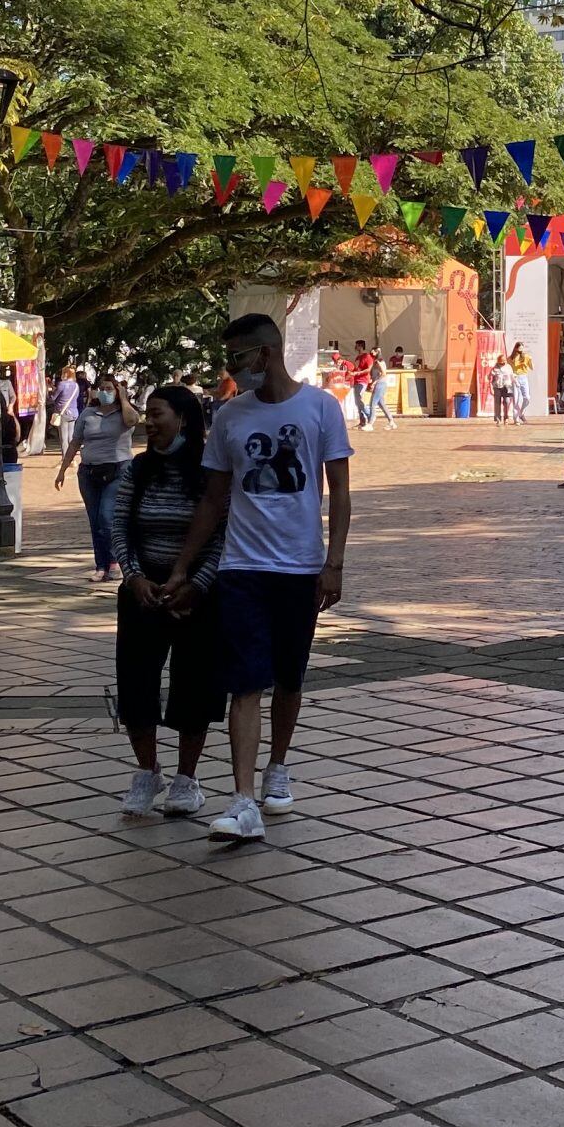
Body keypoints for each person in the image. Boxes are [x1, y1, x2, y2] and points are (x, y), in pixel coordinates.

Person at [164, 313, 351, 844]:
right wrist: (184, 565)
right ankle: (244, 801)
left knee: (289, 677)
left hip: (299, 565)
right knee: (244, 681)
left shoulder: (321, 408)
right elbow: (212, 497)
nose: (231, 370)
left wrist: (332, 562)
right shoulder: (229, 417)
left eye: (237, 359)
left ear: (264, 355)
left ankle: (277, 767)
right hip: (241, 567)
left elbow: (339, 490)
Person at [110, 385, 227, 819]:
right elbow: (119, 528)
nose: (150, 423)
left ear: (183, 418)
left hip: (197, 595)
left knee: (194, 684)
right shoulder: (137, 471)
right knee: (136, 684)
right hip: (142, 594)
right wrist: (134, 577)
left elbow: (222, 535)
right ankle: (147, 772)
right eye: (148, 415)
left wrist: (197, 584)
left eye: (158, 414)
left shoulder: (209, 473)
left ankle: (186, 779)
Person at [58, 377, 141, 582]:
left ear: (117, 389)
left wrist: (122, 398)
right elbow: (75, 442)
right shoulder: (88, 414)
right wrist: (62, 470)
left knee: (107, 517)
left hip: (118, 469)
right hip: (89, 472)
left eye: (109, 388)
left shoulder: (124, 413)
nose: (104, 392)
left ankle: (115, 561)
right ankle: (101, 565)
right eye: (101, 388)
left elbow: (133, 421)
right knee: (95, 520)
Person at [52, 363, 83, 449]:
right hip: (74, 412)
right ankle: (72, 459)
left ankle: (65, 459)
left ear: (65, 373)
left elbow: (53, 398)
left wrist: (50, 391)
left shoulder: (62, 384)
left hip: (63, 412)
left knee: (64, 438)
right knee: (71, 437)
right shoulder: (76, 385)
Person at [350, 342, 381, 430]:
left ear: (361, 346)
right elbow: (356, 367)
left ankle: (370, 415)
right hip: (356, 380)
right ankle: (362, 421)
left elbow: (368, 369)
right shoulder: (358, 357)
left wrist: (358, 373)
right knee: (357, 401)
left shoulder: (367, 356)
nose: (355, 347)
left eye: (357, 345)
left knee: (359, 399)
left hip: (363, 380)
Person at [508, 344, 534, 423]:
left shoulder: (526, 357)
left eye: (522, 349)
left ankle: (521, 413)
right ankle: (516, 418)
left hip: (524, 377)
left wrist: (531, 360)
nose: (520, 351)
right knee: (516, 399)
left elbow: (532, 368)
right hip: (515, 377)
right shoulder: (510, 358)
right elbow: (509, 370)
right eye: (519, 349)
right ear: (515, 348)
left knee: (527, 398)